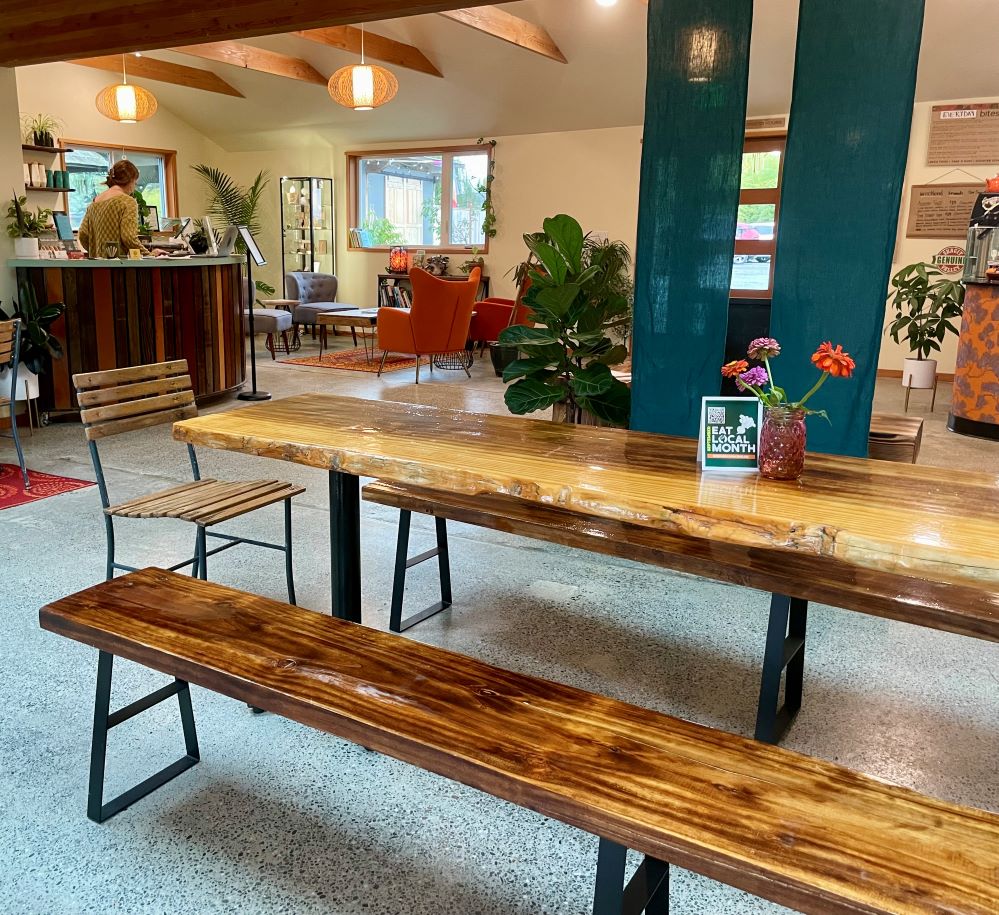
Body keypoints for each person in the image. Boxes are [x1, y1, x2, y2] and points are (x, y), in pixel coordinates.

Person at [77, 159, 150, 258]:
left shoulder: (95, 202)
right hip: (119, 265)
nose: (134, 188)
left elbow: (83, 235)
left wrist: (96, 250)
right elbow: (129, 237)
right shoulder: (127, 202)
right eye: (135, 183)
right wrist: (148, 255)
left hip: (98, 266)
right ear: (131, 180)